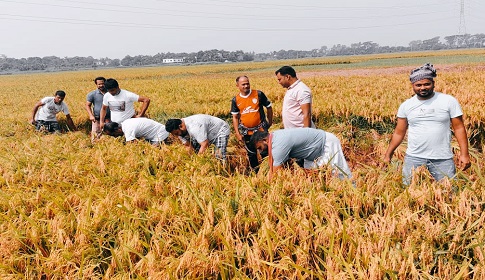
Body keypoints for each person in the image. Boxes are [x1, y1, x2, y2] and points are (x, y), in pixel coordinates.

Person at [383, 63, 471, 185]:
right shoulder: (406, 106)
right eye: (418, 85)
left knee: (450, 192)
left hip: (442, 158)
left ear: (433, 84)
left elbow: (459, 128)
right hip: (414, 157)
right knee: (408, 191)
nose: (423, 88)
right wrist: (388, 154)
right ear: (412, 86)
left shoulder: (448, 101)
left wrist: (464, 154)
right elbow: (399, 132)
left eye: (426, 84)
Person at [250, 128, 352, 180]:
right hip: (311, 152)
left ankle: (353, 193)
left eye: (260, 147)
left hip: (326, 144)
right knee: (314, 178)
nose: (260, 151)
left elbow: (275, 173)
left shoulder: (279, 145)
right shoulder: (275, 136)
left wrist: (266, 187)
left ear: (264, 140)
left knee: (338, 174)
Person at [231, 75, 273, 171]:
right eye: (243, 84)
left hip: (261, 130)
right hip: (247, 132)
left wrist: (270, 121)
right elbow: (235, 117)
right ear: (237, 85)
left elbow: (269, 107)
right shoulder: (235, 100)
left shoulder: (258, 94)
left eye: (247, 83)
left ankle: (268, 170)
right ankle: (256, 172)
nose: (246, 86)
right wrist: (237, 133)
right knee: (251, 153)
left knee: (265, 151)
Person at [165, 114, 230, 161]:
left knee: (219, 156)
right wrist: (189, 160)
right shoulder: (180, 131)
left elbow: (205, 144)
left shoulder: (195, 127)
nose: (177, 136)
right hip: (206, 133)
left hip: (220, 130)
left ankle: (223, 172)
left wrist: (197, 161)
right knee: (197, 150)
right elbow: (188, 146)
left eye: (176, 133)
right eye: (174, 134)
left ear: (180, 126)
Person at [103, 117, 169, 146]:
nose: (115, 137)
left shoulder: (128, 130)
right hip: (157, 132)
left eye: (113, 134)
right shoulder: (125, 122)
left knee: (152, 152)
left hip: (160, 134)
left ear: (117, 129)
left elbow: (132, 147)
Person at [85, 77, 111, 141]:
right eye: (99, 84)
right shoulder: (92, 94)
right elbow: (87, 105)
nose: (101, 85)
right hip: (97, 119)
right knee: (95, 135)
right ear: (96, 85)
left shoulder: (110, 93)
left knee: (110, 134)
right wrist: (91, 115)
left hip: (109, 118)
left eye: (103, 83)